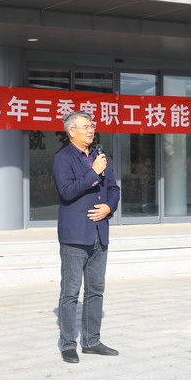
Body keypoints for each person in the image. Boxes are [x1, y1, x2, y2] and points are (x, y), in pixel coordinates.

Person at [53, 110, 121, 364]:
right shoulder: (63, 158)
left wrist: (109, 207)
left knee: (96, 290)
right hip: (75, 236)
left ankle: (92, 341)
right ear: (71, 131)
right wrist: (93, 173)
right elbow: (67, 191)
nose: (91, 130)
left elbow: (113, 188)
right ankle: (68, 344)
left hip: (99, 233)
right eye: (85, 127)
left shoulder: (98, 156)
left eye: (92, 126)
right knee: (70, 292)